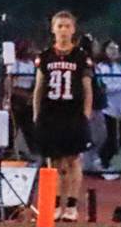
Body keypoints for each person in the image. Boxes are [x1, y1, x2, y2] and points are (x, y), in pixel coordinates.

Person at [33, 11, 94, 215]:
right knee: (54, 160)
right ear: (53, 29)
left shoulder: (81, 56)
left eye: (67, 26)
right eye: (60, 26)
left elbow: (87, 88)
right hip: (51, 112)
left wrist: (85, 114)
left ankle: (71, 205)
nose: (63, 30)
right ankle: (56, 203)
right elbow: (39, 88)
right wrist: (37, 114)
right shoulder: (45, 56)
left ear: (74, 30)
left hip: (73, 112)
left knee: (73, 159)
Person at [94, 39, 121, 176]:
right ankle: (103, 163)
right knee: (111, 137)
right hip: (109, 107)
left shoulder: (119, 67)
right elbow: (105, 87)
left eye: (115, 48)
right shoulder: (102, 67)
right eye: (110, 49)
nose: (114, 51)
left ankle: (104, 159)